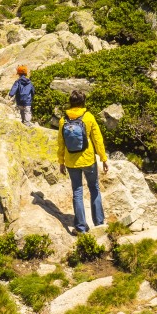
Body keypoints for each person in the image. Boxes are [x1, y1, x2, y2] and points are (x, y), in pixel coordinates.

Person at [58, 90, 109, 234]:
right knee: (94, 188)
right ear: (83, 102)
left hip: (71, 162)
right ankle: (99, 223)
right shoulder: (88, 117)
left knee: (77, 192)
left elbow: (61, 143)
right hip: (88, 160)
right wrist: (103, 158)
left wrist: (61, 162)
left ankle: (80, 227)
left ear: (70, 102)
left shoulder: (63, 120)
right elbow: (97, 139)